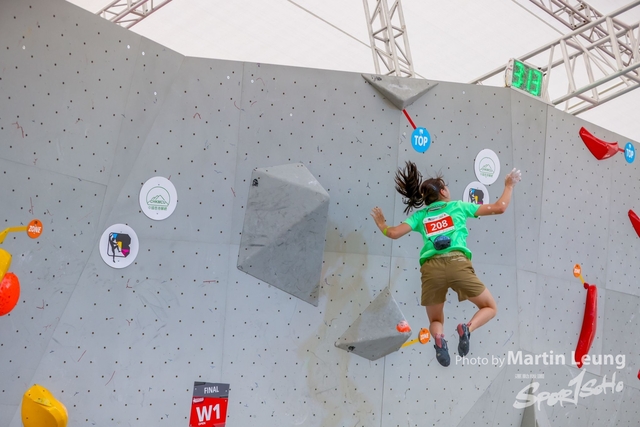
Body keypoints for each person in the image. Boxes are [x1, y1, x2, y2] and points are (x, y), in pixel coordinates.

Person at [371, 161, 521, 366]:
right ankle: (467, 328)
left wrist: (382, 224)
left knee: (435, 321)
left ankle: (440, 339)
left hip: (431, 270)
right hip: (458, 264)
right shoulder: (458, 206)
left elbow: (394, 233)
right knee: (490, 307)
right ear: (443, 191)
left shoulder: (420, 216)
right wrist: (509, 185)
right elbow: (500, 207)